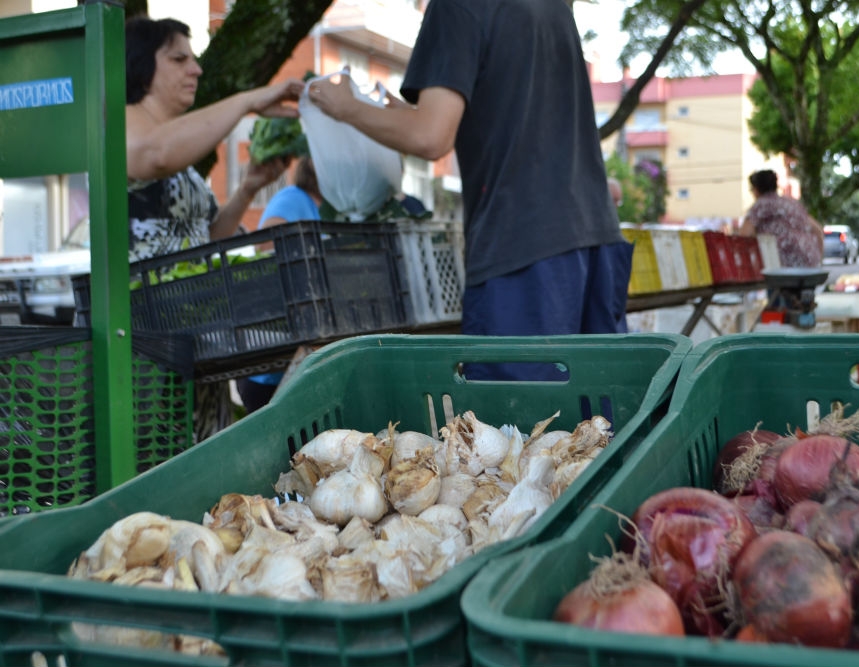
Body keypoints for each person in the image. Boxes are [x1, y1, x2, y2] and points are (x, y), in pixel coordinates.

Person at [306, 0, 632, 380]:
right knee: (601, 419)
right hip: (594, 242)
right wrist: (389, 114)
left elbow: (430, 136)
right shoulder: (550, 6)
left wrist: (344, 107)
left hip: (522, 253)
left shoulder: (457, 5)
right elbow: (496, 113)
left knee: (517, 429)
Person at [125, 16, 304, 438]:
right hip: (145, 353)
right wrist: (247, 101)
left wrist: (247, 189)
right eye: (179, 58)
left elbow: (209, 239)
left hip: (197, 347)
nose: (197, 69)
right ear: (139, 64)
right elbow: (153, 154)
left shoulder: (177, 148)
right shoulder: (123, 123)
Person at [235, 155, 323, 413]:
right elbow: (266, 244)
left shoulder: (314, 207)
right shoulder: (293, 197)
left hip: (291, 362)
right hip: (269, 372)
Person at [738, 169, 823, 268]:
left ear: (756, 189)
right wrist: (817, 260)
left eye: (751, 189)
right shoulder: (792, 204)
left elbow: (744, 236)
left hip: (783, 268)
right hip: (810, 264)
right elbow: (818, 230)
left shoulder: (760, 205)